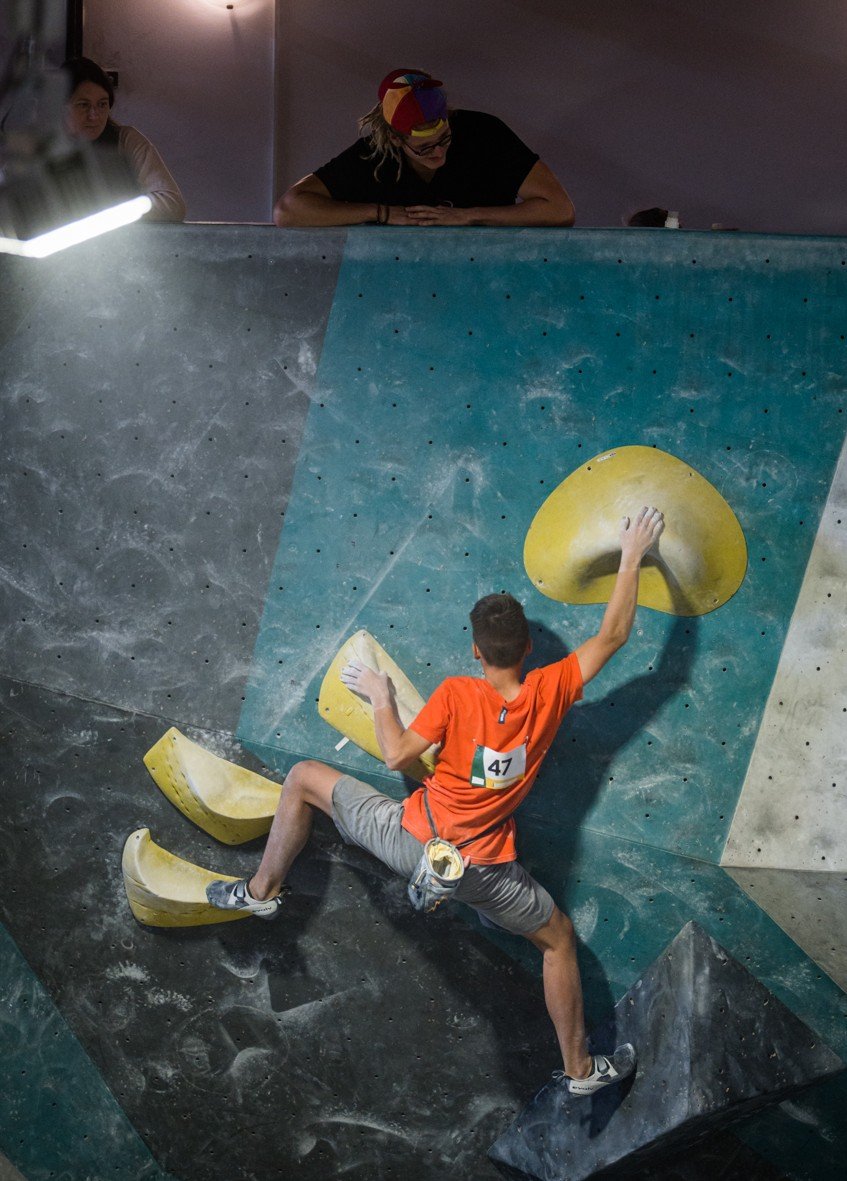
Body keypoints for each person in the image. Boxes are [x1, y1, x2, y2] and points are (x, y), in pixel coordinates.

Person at [208, 506, 665, 1093]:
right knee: (557, 940)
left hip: (409, 837)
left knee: (302, 778)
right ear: (528, 648)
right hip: (485, 870)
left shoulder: (455, 695)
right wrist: (632, 554)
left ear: (477, 652)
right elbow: (614, 635)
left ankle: (259, 893)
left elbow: (397, 755)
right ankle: (579, 1071)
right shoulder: (551, 690)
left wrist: (380, 694)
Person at [274, 68, 574, 229]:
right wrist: (382, 213)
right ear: (395, 140)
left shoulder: (484, 133)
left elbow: (559, 209)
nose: (438, 153)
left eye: (445, 139)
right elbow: (288, 210)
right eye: (424, 148)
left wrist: (471, 216)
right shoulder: (373, 154)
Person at [63, 57, 186, 222]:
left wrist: (113, 210)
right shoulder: (38, 149)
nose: (94, 116)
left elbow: (172, 204)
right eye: (83, 105)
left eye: (102, 104)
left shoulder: (126, 140)